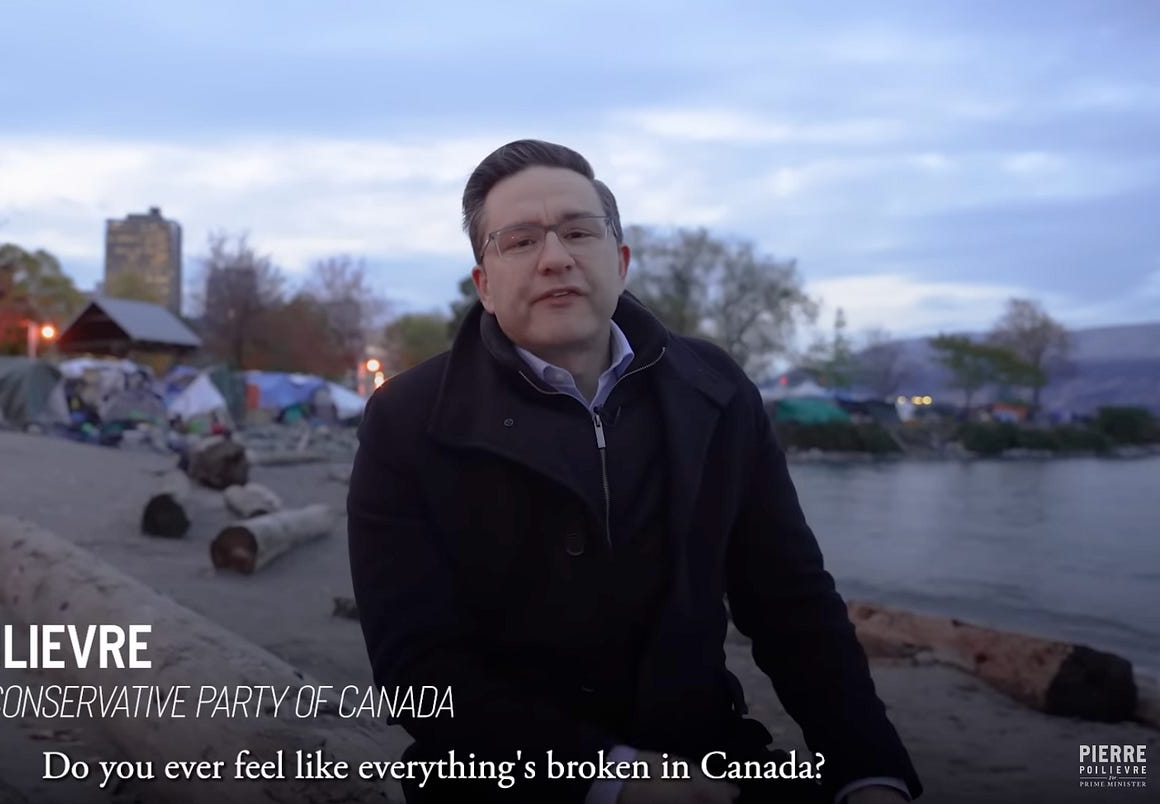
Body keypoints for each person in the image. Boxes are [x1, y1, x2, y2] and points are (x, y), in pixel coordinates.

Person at [347, 140, 921, 804]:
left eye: (579, 232)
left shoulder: (717, 391)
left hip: (710, 760)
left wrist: (868, 771)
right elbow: (417, 674)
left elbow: (793, 604)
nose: (555, 256)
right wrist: (613, 778)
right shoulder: (407, 421)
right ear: (485, 283)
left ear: (619, 262)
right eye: (521, 241)